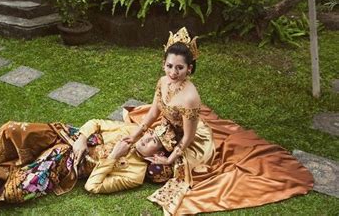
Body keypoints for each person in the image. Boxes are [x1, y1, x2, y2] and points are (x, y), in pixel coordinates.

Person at [121, 27, 314, 216]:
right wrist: (135, 135)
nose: (173, 72)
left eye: (179, 67)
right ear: (164, 64)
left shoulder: (190, 97)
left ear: (189, 69)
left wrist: (169, 160)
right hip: (169, 128)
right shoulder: (163, 81)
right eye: (169, 66)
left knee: (176, 169)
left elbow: (188, 137)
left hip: (193, 140)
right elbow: (154, 112)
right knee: (139, 144)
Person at [0, 119, 171, 215]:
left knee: (17, 189)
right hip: (67, 136)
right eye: (148, 134)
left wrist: (113, 156)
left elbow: (93, 186)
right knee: (15, 129)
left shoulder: (135, 175)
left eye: (150, 142)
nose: (144, 137)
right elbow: (95, 123)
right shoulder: (130, 131)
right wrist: (80, 140)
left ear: (155, 155)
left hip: (66, 165)